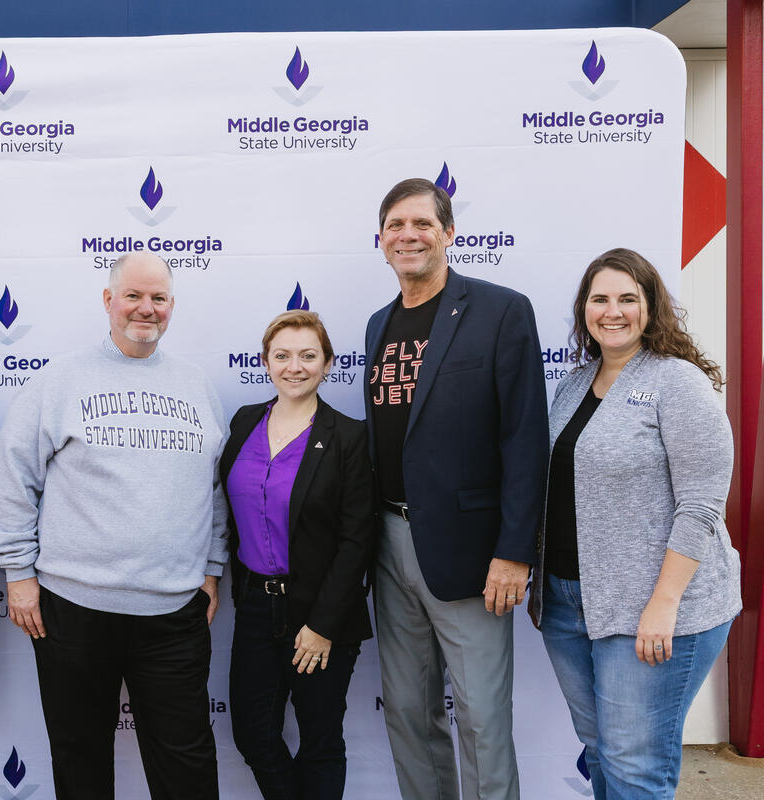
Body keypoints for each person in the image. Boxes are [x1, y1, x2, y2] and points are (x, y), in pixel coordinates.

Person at [0, 252, 227, 800]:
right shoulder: (61, 380)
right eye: (134, 296)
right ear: (108, 302)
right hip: (73, 611)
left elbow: (212, 490)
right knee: (81, 759)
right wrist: (19, 572)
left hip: (173, 615)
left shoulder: (196, 384)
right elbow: (13, 479)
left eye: (159, 298)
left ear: (172, 306)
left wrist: (212, 569)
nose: (147, 309)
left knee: (186, 764)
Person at [530, 248, 741, 799]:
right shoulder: (573, 384)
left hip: (653, 609)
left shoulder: (678, 383)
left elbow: (701, 504)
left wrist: (664, 603)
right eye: (600, 299)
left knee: (634, 767)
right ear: (584, 310)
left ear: (651, 308)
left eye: (628, 298)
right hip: (567, 602)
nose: (613, 311)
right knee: (601, 753)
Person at [364, 178, 548, 800]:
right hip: (387, 544)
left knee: (483, 721)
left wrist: (515, 550)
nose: (408, 235)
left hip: (473, 552)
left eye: (422, 224)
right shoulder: (377, 324)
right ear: (380, 241)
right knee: (409, 715)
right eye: (396, 226)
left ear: (448, 233)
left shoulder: (501, 310)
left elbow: (525, 439)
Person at [221, 310, 374, 799]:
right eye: (282, 355)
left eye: (308, 356)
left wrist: (323, 625)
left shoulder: (349, 436)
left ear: (328, 364)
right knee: (252, 732)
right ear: (265, 362)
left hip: (320, 614)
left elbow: (358, 540)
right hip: (255, 608)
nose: (295, 366)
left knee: (321, 740)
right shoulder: (245, 421)